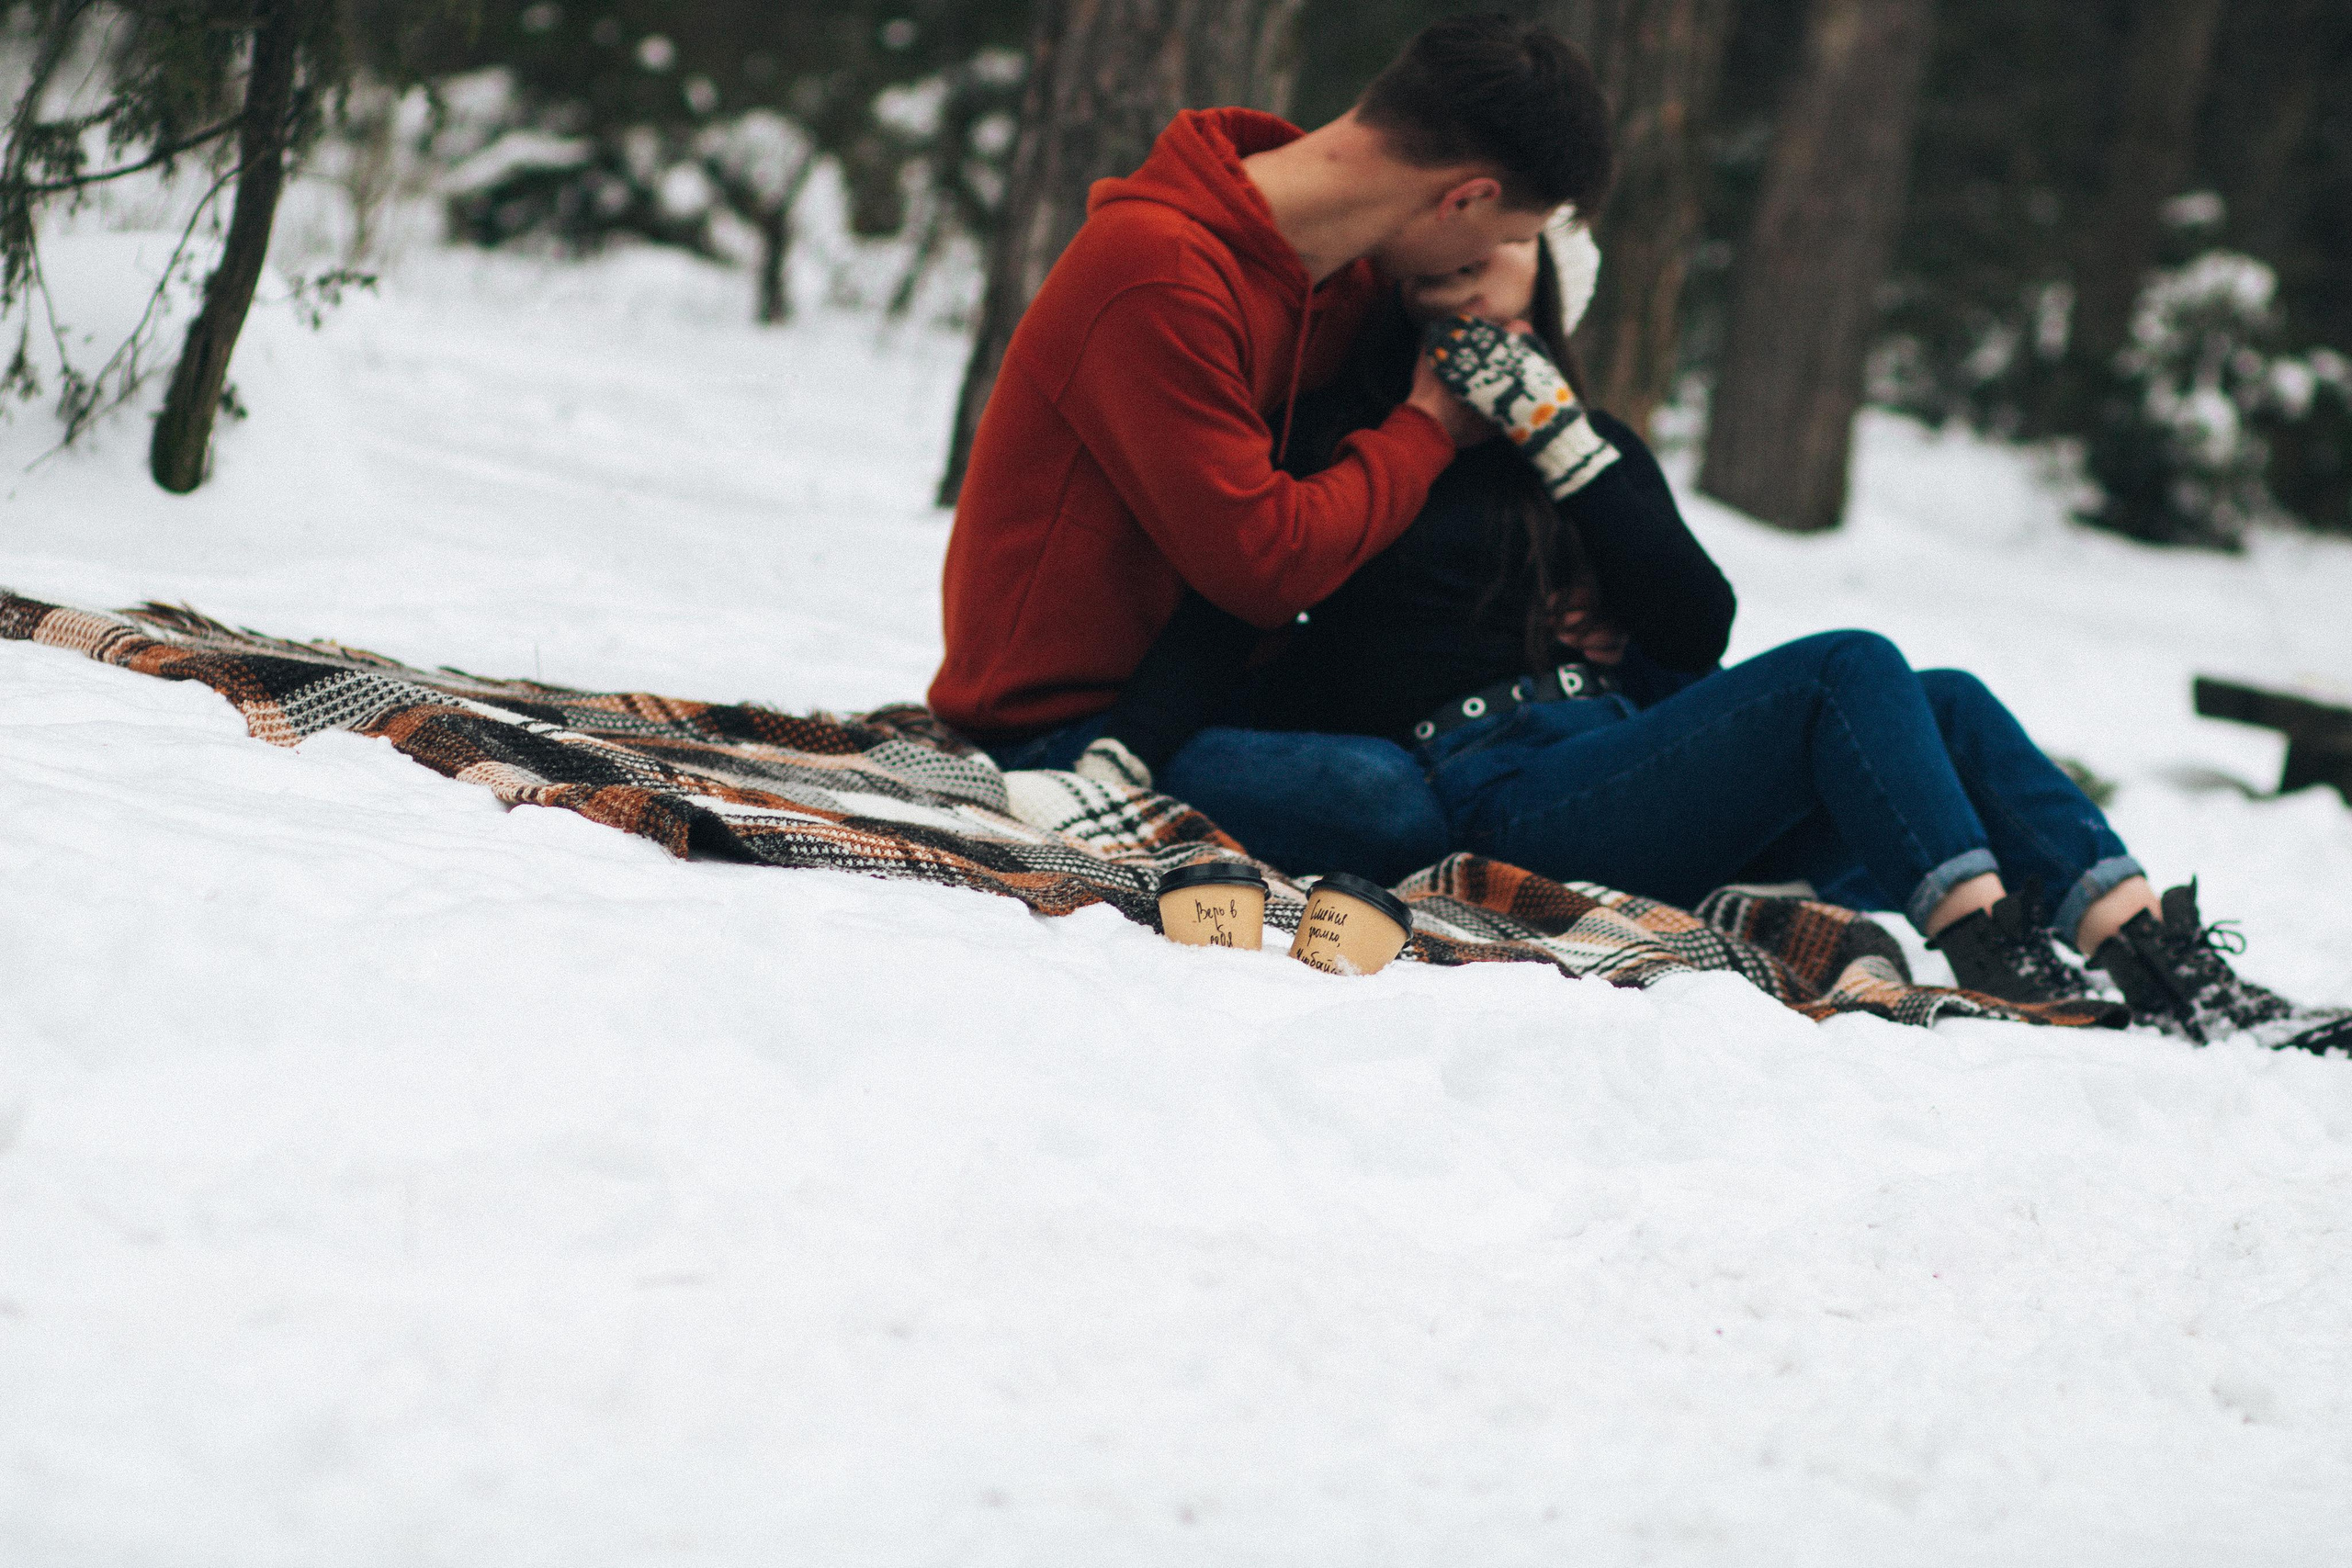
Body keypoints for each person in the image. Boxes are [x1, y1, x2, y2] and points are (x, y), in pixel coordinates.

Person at [1080, 230, 2352, 1055]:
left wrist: (1562, 443)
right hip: (1503, 786)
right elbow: (1241, 597)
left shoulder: (1589, 457)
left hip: (1627, 761)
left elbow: (1700, 624)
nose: (1462, 298)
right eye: (1436, 280)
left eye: (1491, 268)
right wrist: (1117, 750)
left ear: (1544, 284)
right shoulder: (1366, 452)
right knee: (1849, 661)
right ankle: (1988, 953)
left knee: (1945, 695)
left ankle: (2162, 963)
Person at [928, 15, 1614, 885]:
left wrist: (1580, 579)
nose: (1479, 263)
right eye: (1504, 235)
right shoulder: (1155, 269)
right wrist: (1429, 427)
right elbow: (1264, 563)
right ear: (1466, 197)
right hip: (1065, 717)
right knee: (1385, 803)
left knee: (1479, 765)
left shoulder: (1352, 279)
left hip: (1243, 691)